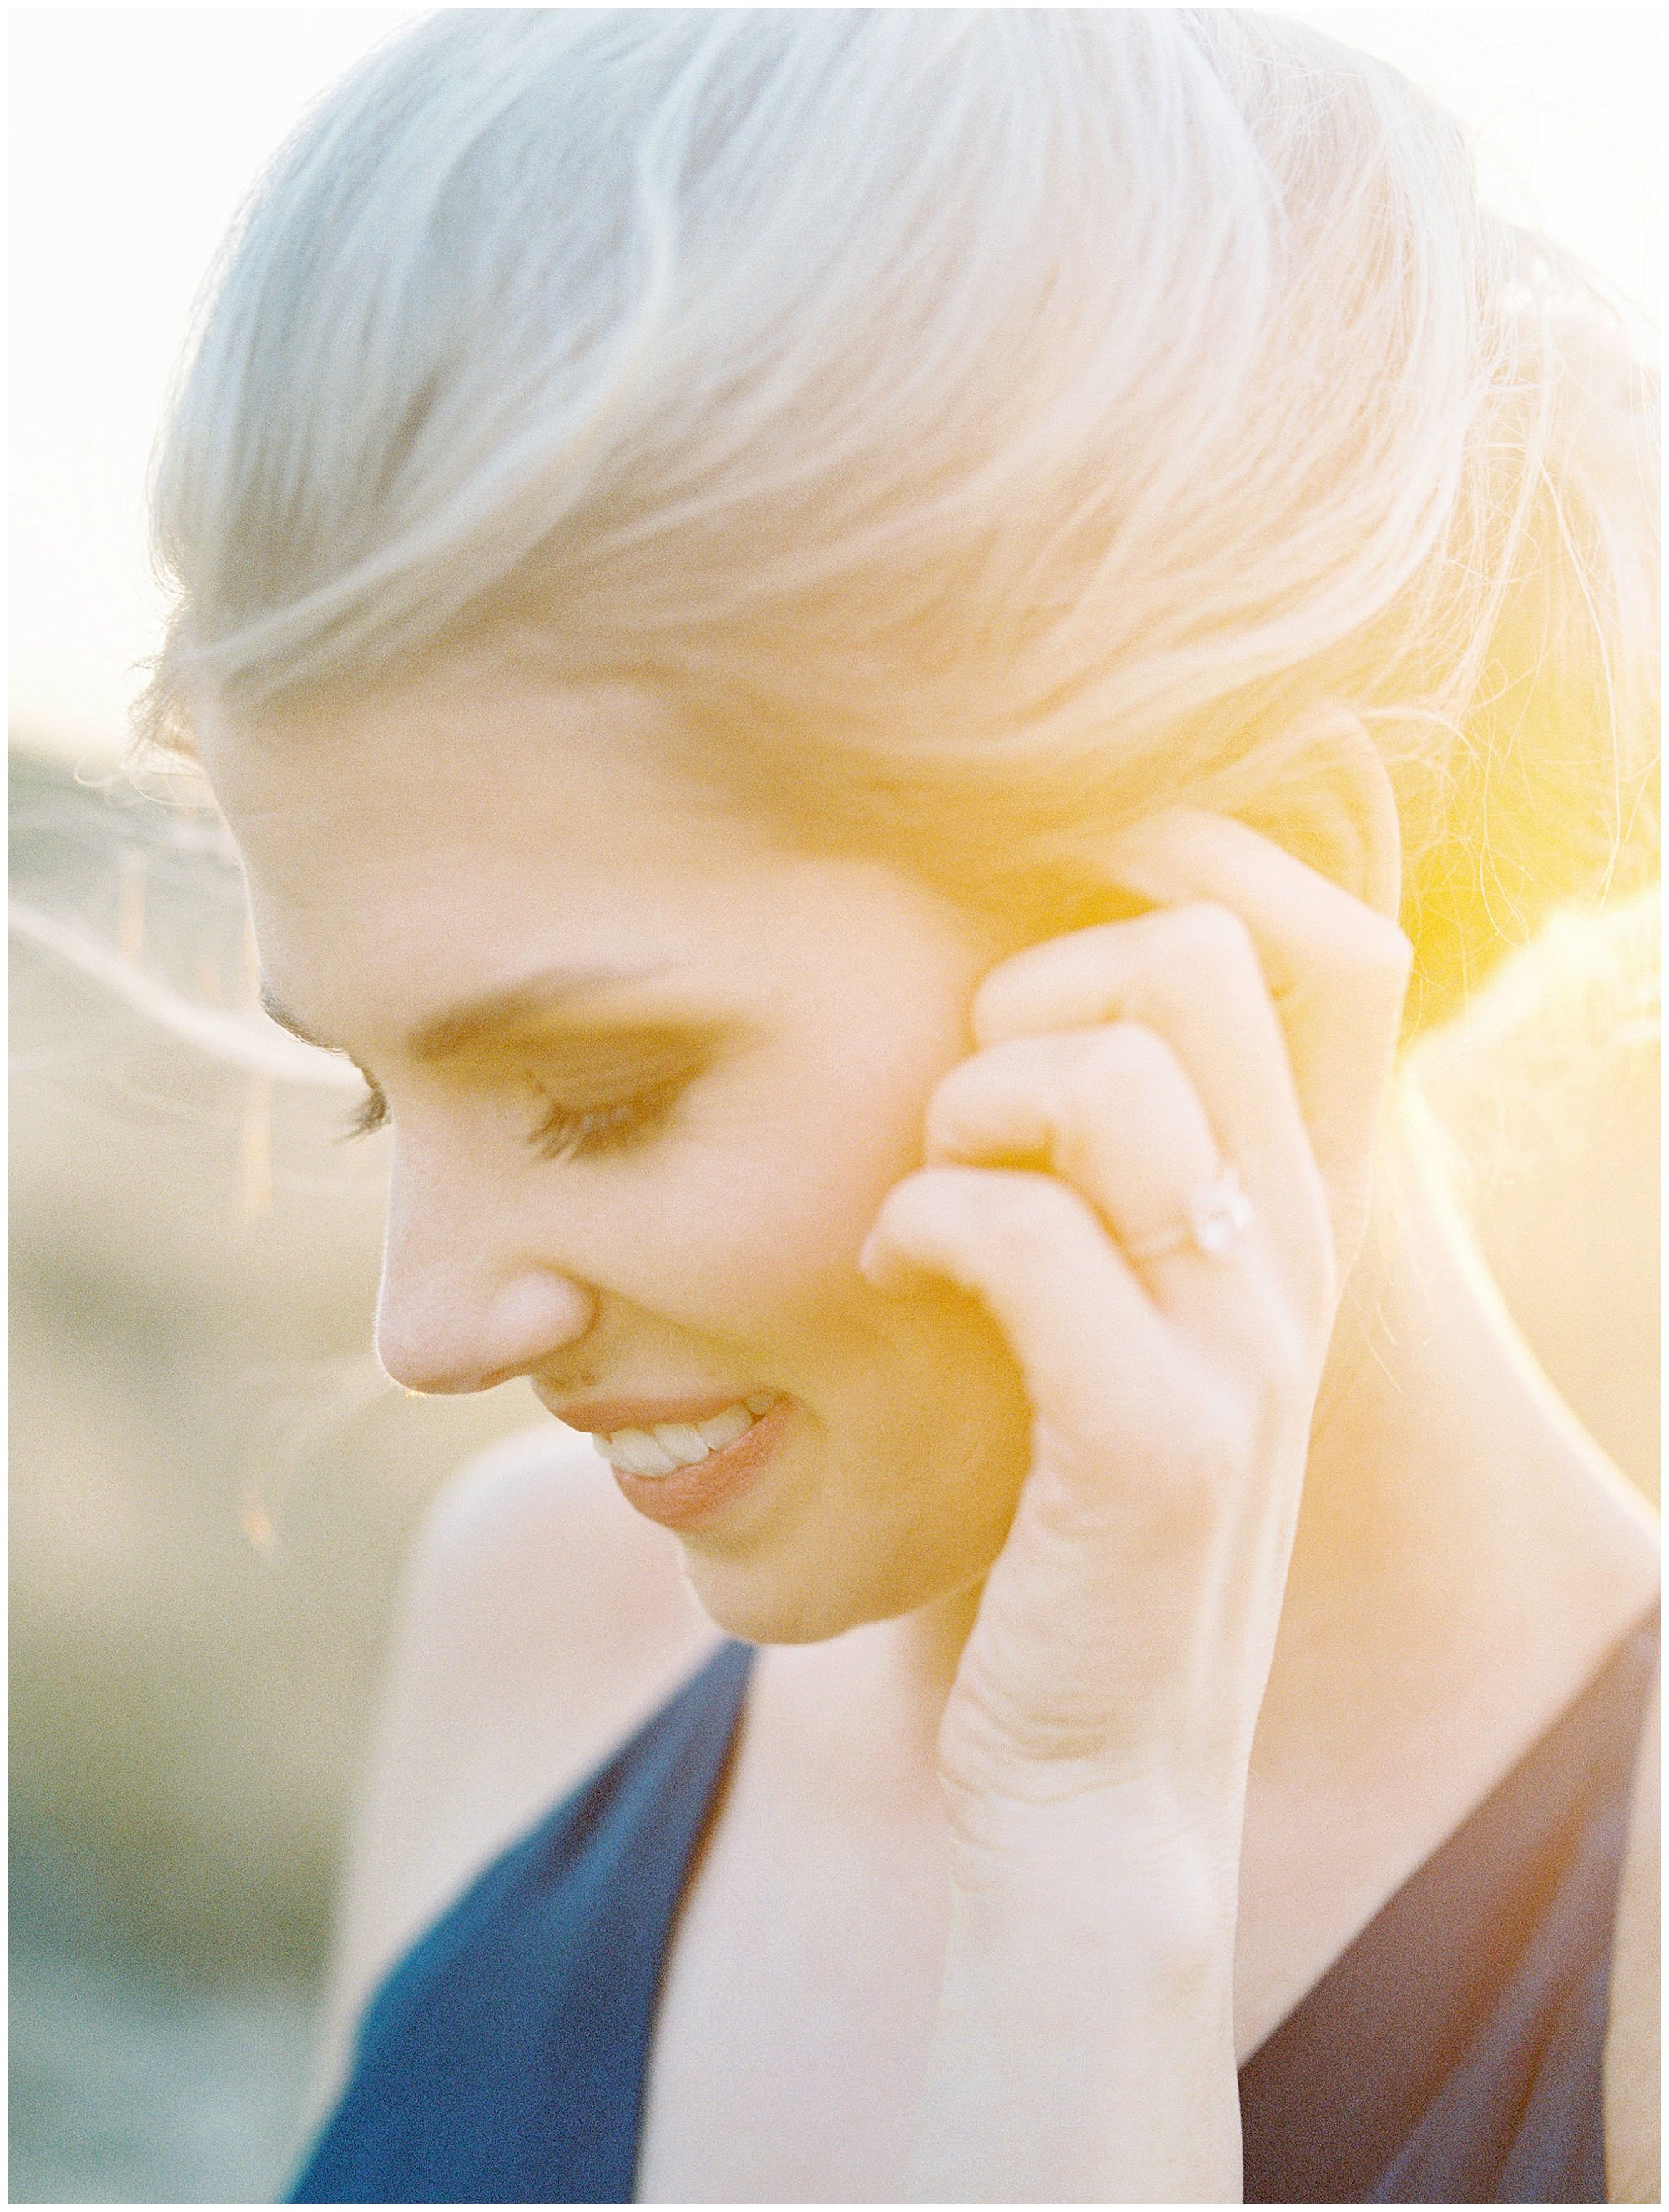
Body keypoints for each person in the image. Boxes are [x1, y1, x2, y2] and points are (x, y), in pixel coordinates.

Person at [139, 13, 1657, 2200]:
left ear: (1259, 895)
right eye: (378, 1099)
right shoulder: (543, 1623)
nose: (432, 1327)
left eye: (594, 1095)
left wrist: (1091, 1863)